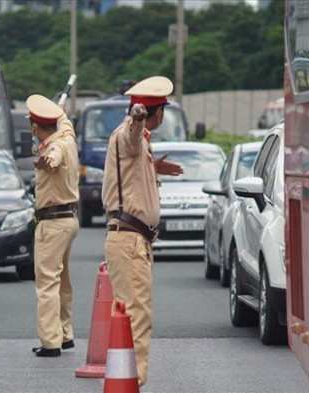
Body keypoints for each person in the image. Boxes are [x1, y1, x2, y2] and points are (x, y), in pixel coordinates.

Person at [101, 76, 183, 385]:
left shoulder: (141, 145)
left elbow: (133, 157)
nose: (163, 116)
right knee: (137, 316)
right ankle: (132, 383)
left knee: (129, 314)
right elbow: (131, 138)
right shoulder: (129, 133)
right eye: (162, 109)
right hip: (129, 239)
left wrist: (153, 167)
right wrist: (137, 118)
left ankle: (126, 381)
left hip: (133, 240)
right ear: (156, 111)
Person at [26, 94, 80, 358]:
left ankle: (51, 342)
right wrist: (60, 112)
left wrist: (49, 161)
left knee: (47, 283)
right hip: (69, 220)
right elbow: (66, 125)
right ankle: (65, 333)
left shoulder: (54, 148)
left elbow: (53, 157)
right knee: (62, 281)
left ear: (35, 127)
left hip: (53, 222)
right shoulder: (67, 137)